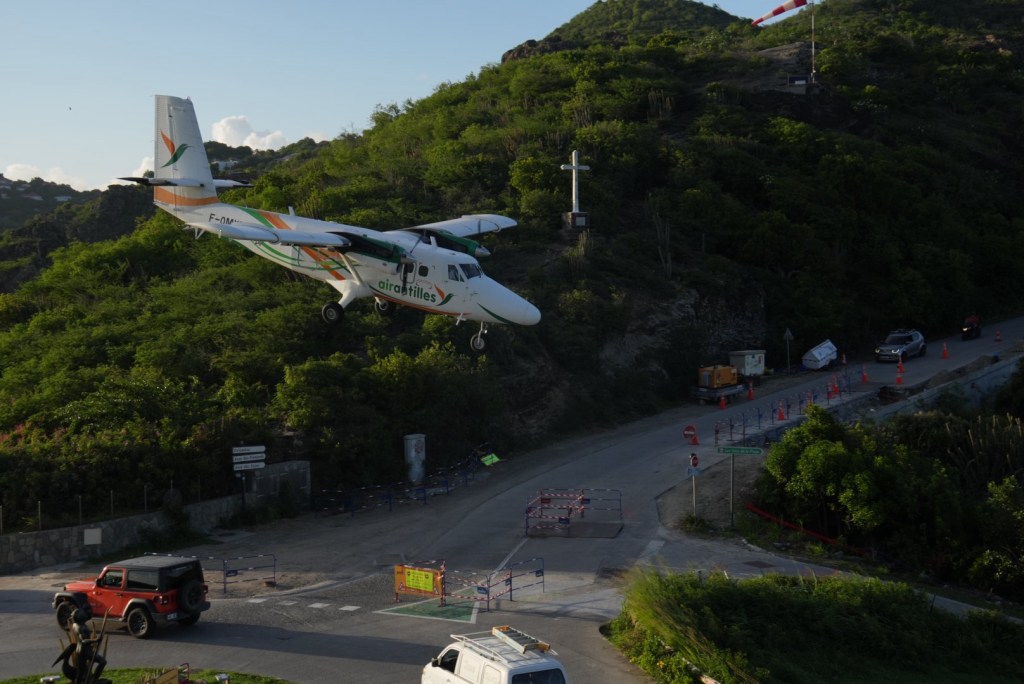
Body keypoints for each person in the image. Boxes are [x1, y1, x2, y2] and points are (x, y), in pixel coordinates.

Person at [71, 609, 106, 681]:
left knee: (81, 671)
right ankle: (94, 678)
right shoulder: (82, 628)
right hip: (85, 651)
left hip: (79, 650)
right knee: (102, 661)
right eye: (83, 614)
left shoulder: (75, 625)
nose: (85, 615)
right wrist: (95, 640)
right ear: (80, 617)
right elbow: (83, 641)